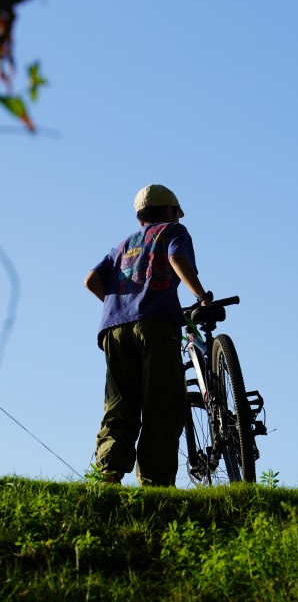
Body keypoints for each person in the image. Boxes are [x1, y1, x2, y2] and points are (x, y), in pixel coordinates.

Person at [84, 184, 212, 486]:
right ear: (169, 212)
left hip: (114, 328)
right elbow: (177, 260)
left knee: (119, 404)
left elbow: (91, 280)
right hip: (155, 326)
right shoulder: (173, 232)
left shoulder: (122, 246)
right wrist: (202, 296)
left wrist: (123, 305)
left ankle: (110, 473)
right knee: (162, 406)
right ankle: (155, 486)